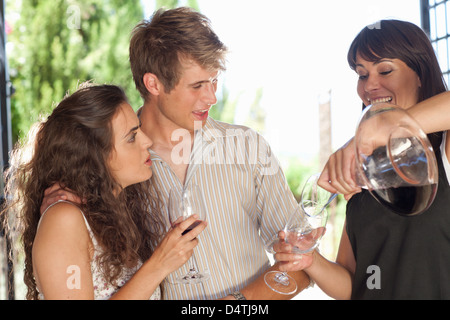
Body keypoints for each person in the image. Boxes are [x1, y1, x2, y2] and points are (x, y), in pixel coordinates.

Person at [274, 19, 450, 300]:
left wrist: (381, 128)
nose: (370, 85)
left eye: (385, 70)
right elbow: (355, 284)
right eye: (362, 74)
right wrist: (311, 260)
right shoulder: (364, 170)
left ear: (420, 74)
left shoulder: (444, 151)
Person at [2, 83, 206, 300]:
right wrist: (159, 265)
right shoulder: (63, 220)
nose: (147, 141)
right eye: (131, 137)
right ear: (94, 157)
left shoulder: (114, 215)